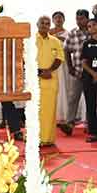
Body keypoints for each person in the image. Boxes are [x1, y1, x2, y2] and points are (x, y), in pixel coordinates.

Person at [34, 15, 65, 147]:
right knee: (35, 111)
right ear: (37, 24)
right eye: (42, 23)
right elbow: (25, 59)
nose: (45, 25)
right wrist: (40, 72)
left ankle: (48, 139)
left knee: (50, 111)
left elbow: (59, 58)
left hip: (51, 81)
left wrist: (49, 71)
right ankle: (35, 138)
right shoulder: (30, 40)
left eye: (47, 23)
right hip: (35, 81)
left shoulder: (55, 41)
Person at [57, 9, 89, 135]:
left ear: (87, 19)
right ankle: (69, 124)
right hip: (78, 71)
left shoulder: (93, 30)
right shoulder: (73, 33)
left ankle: (90, 124)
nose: (79, 21)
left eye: (82, 18)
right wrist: (70, 67)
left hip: (92, 72)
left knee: (90, 99)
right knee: (73, 98)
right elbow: (66, 50)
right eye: (77, 19)